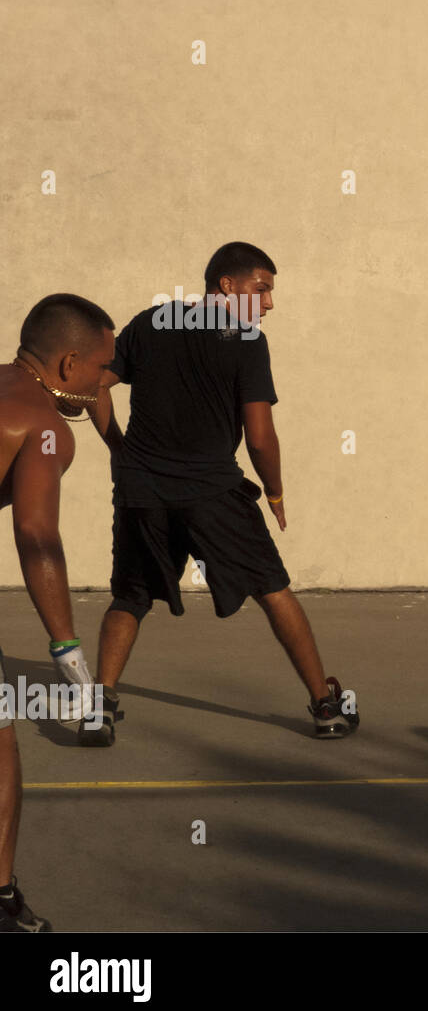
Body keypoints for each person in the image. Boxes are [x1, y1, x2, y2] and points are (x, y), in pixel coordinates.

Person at [80, 241, 358, 745]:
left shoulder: (151, 321)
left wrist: (119, 449)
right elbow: (259, 436)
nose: (269, 302)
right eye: (263, 288)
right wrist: (275, 492)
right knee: (272, 588)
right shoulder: (247, 338)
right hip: (213, 492)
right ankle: (326, 706)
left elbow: (97, 385)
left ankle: (98, 708)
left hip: (141, 491)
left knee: (131, 595)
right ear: (227, 286)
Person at [0, 293, 119, 931]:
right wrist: (71, 662)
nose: (105, 384)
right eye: (102, 371)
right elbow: (37, 537)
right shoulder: (43, 424)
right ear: (70, 362)